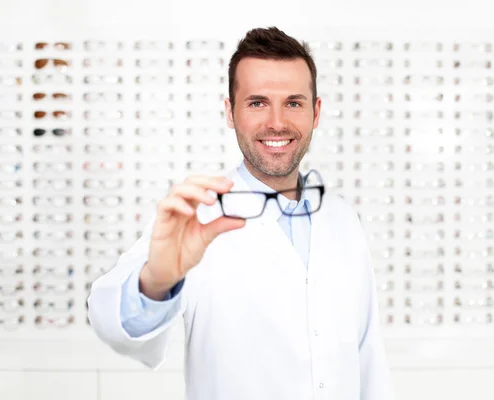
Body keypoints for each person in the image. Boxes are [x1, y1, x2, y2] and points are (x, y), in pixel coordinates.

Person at [87, 26, 394, 400]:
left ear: (316, 112)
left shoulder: (342, 218)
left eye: (293, 102)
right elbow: (111, 320)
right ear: (230, 112)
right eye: (257, 102)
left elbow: (368, 359)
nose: (277, 122)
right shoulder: (197, 215)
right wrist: (156, 282)